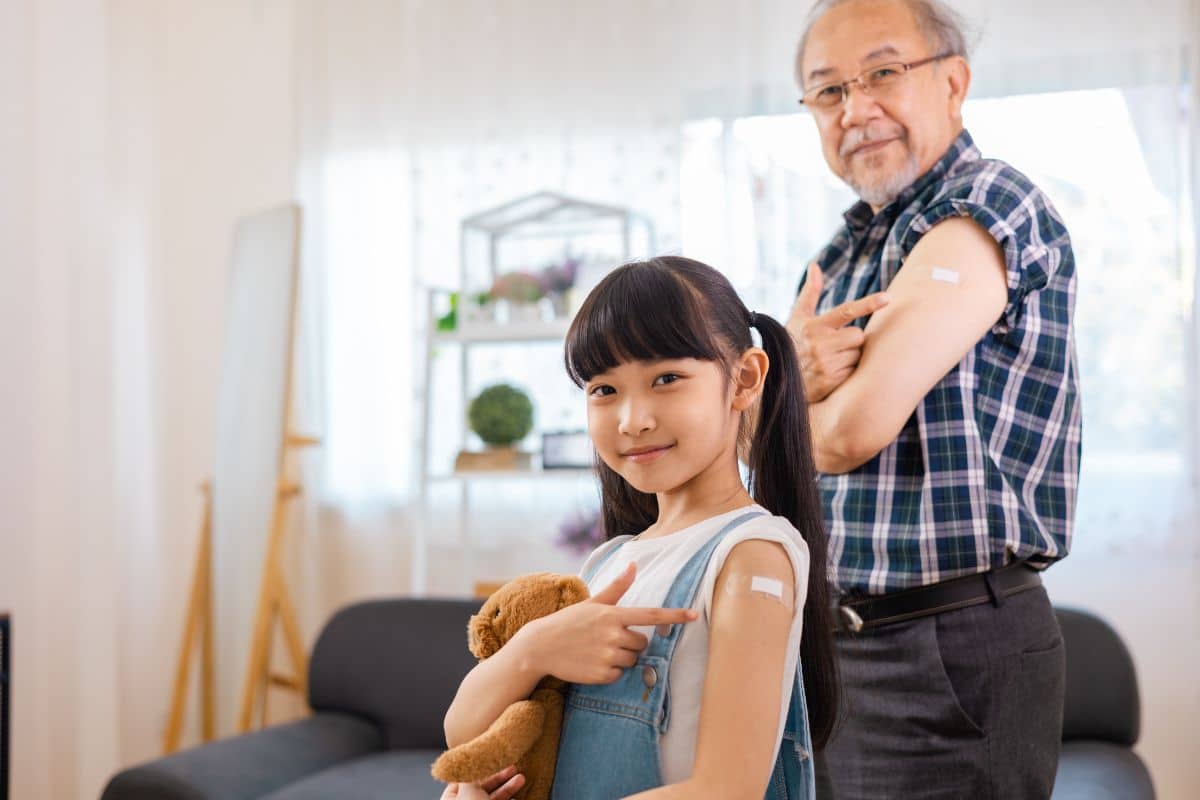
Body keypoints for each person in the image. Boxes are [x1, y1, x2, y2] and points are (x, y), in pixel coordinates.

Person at [789, 0, 1080, 797]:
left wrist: (774, 384)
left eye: (883, 72)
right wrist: (784, 387)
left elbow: (848, 434)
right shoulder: (841, 253)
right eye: (828, 91)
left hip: (947, 650)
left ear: (954, 82)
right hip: (835, 646)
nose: (857, 109)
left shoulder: (987, 202)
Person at [441, 256, 838, 799]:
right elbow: (463, 733)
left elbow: (725, 789)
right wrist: (533, 648)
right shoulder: (609, 562)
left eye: (667, 378)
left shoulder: (751, 554)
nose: (633, 420)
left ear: (744, 379)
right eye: (604, 390)